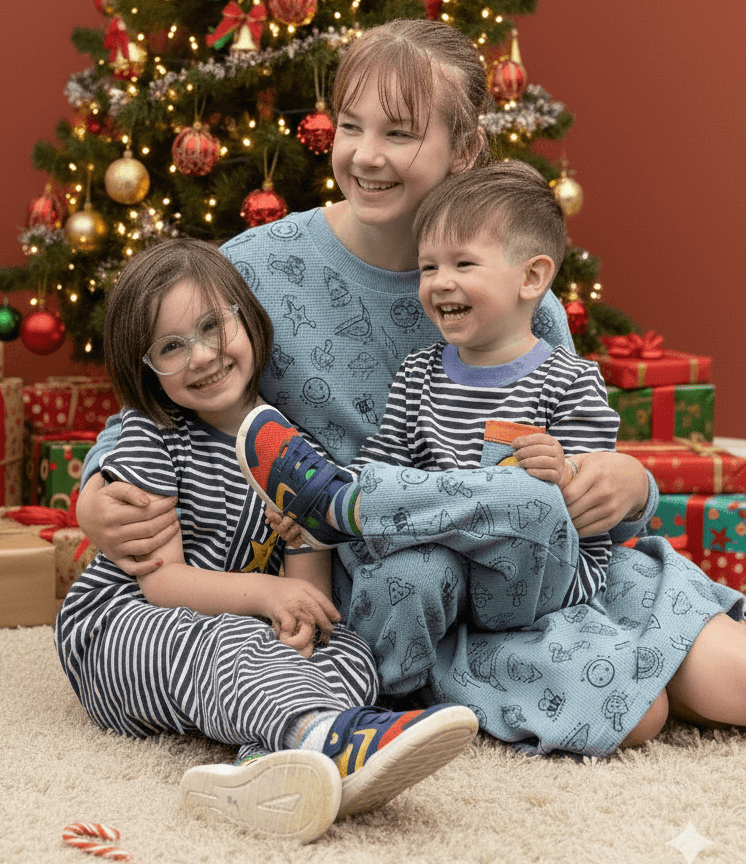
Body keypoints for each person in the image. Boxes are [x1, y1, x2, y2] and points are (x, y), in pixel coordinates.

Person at [75, 19, 746, 757]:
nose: (365, 155)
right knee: (637, 712)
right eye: (351, 126)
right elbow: (163, 389)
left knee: (728, 678)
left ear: (464, 150)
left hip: (534, 562)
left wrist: (627, 480)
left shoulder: (524, 295)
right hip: (396, 585)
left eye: (398, 133)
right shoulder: (258, 268)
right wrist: (98, 491)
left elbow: (573, 440)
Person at [55, 238, 479, 844]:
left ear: (245, 317)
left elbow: (303, 597)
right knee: (224, 638)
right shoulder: (151, 438)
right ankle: (325, 736)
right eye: (171, 347)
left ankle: (262, 762)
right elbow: (162, 584)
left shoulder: (289, 445)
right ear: (145, 368)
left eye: (210, 327)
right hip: (127, 629)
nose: (200, 356)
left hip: (245, 629)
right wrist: (264, 595)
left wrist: (302, 570)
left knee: (347, 651)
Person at [236, 160, 620, 644]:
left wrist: (567, 473)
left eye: (463, 264)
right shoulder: (420, 375)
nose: (439, 281)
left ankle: (338, 507)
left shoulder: (572, 380)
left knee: (528, 496)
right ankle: (397, 686)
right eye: (428, 267)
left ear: (531, 278)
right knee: (403, 574)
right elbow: (383, 466)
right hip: (443, 575)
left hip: (538, 582)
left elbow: (593, 513)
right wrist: (334, 505)